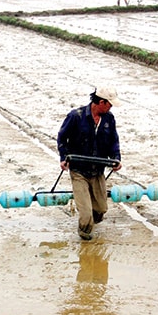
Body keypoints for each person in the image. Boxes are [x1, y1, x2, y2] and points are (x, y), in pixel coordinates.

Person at [57, 87, 122, 240]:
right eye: (109, 104)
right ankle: (86, 242)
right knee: (86, 217)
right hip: (79, 170)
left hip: (98, 170)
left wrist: (116, 158)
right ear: (101, 102)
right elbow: (62, 138)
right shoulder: (76, 116)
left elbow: (114, 141)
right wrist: (63, 157)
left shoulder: (109, 119)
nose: (111, 108)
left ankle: (91, 218)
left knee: (100, 210)